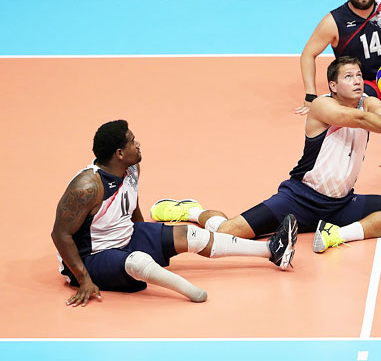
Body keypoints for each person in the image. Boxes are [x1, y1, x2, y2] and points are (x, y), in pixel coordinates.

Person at [153, 57, 381, 253]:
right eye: (348, 77)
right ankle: (194, 211)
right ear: (333, 85)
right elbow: (360, 119)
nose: (357, 81)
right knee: (225, 233)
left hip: (340, 205)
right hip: (300, 198)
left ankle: (336, 234)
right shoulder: (322, 106)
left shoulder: (367, 102)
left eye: (359, 76)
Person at [51, 120, 297, 308]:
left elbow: (131, 203)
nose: (138, 144)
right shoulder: (87, 187)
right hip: (92, 256)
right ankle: (189, 291)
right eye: (132, 141)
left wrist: (150, 236)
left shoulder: (132, 167)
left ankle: (271, 251)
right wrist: (83, 278)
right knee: (137, 261)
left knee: (191, 234)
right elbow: (60, 234)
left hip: (125, 235)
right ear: (119, 153)